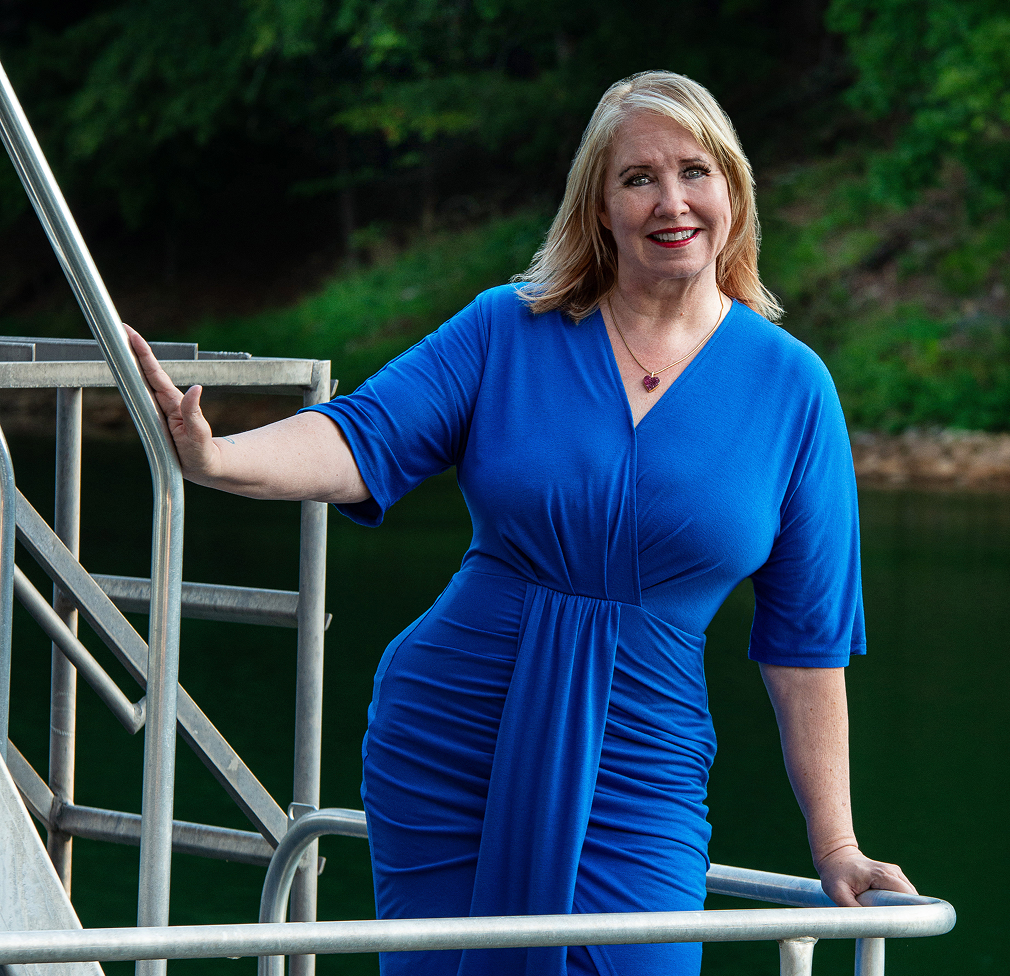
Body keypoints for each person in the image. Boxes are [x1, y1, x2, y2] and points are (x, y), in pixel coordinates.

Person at [129, 70, 915, 976]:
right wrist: (218, 458)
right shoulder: (509, 328)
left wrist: (837, 848)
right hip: (455, 728)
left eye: (695, 172)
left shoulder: (794, 388)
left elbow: (805, 643)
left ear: (732, 192)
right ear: (599, 206)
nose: (672, 202)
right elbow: (364, 436)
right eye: (638, 178)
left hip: (644, 754)